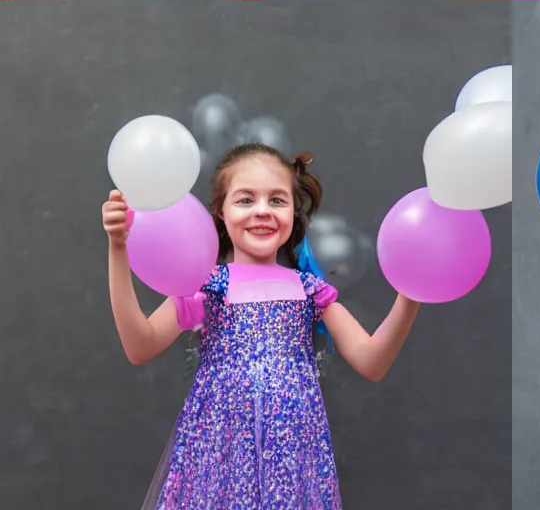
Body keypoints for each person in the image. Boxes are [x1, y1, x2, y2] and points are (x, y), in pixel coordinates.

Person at [103, 144, 422, 508]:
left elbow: (372, 362)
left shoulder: (310, 292)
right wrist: (118, 249)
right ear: (219, 213)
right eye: (245, 200)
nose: (262, 211)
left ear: (294, 211)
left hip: (290, 463)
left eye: (277, 200)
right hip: (217, 459)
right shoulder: (206, 286)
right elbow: (140, 346)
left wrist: (410, 294)